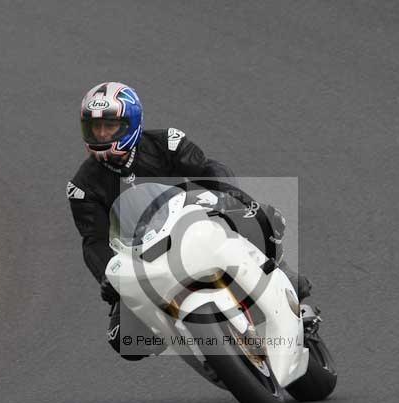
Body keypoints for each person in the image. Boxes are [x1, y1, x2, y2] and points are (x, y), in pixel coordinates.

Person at [67, 81, 311, 360]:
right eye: (94, 127)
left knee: (264, 217)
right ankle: (188, 340)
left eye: (109, 126)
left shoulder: (165, 143)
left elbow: (208, 168)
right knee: (125, 339)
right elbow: (94, 241)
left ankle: (281, 275)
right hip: (145, 254)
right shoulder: (82, 187)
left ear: (130, 124)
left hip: (196, 221)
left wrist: (228, 195)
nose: (101, 133)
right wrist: (109, 278)